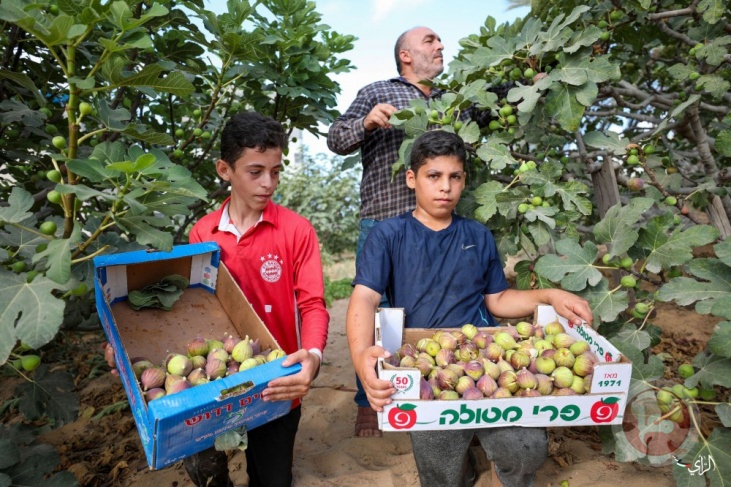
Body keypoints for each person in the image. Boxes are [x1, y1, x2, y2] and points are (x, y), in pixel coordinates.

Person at [345, 130, 593, 487]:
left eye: (454, 177)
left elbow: (498, 300)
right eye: (434, 176)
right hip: (425, 364)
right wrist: (359, 356)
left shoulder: (477, 235)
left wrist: (549, 296)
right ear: (412, 179)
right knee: (438, 461)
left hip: (485, 354)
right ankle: (465, 469)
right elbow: (365, 297)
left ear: (464, 181)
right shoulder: (388, 234)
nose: (445, 187)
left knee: (525, 445)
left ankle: (508, 475)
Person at [106, 112, 329, 487]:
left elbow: (313, 305)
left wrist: (313, 358)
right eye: (255, 171)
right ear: (224, 169)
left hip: (277, 382)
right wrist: (123, 345)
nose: (268, 183)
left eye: (275, 172)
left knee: (272, 479)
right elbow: (190, 306)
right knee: (207, 472)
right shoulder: (203, 233)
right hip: (213, 384)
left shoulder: (296, 230)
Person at [326, 25, 447, 437]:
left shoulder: (452, 101)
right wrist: (367, 122)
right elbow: (336, 138)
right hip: (384, 219)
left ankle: (422, 389)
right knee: (377, 314)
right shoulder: (379, 91)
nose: (440, 45)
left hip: (436, 225)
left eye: (440, 41)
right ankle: (367, 401)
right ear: (406, 55)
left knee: (427, 311)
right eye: (430, 40)